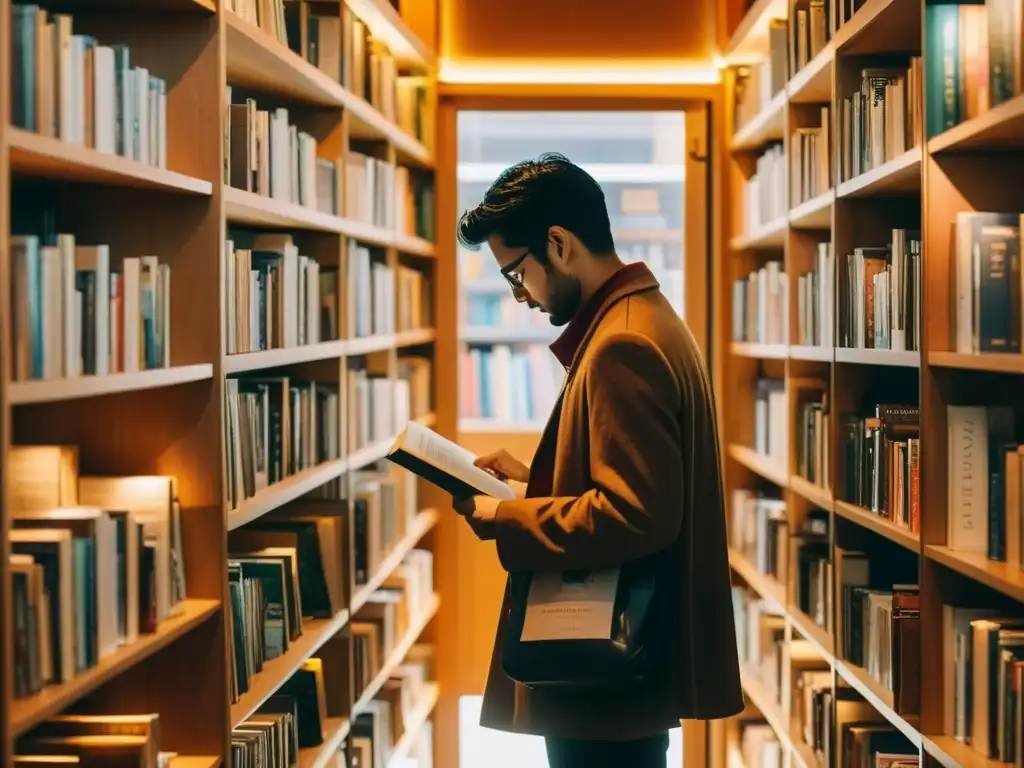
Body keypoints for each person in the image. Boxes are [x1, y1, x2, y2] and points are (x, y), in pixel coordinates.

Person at [452, 153, 743, 768]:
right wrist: (537, 481)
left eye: (515, 272)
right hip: (621, 673)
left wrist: (505, 520)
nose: (517, 294)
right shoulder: (644, 315)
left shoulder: (622, 342)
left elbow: (636, 517)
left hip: (603, 673)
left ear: (557, 244)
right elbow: (645, 485)